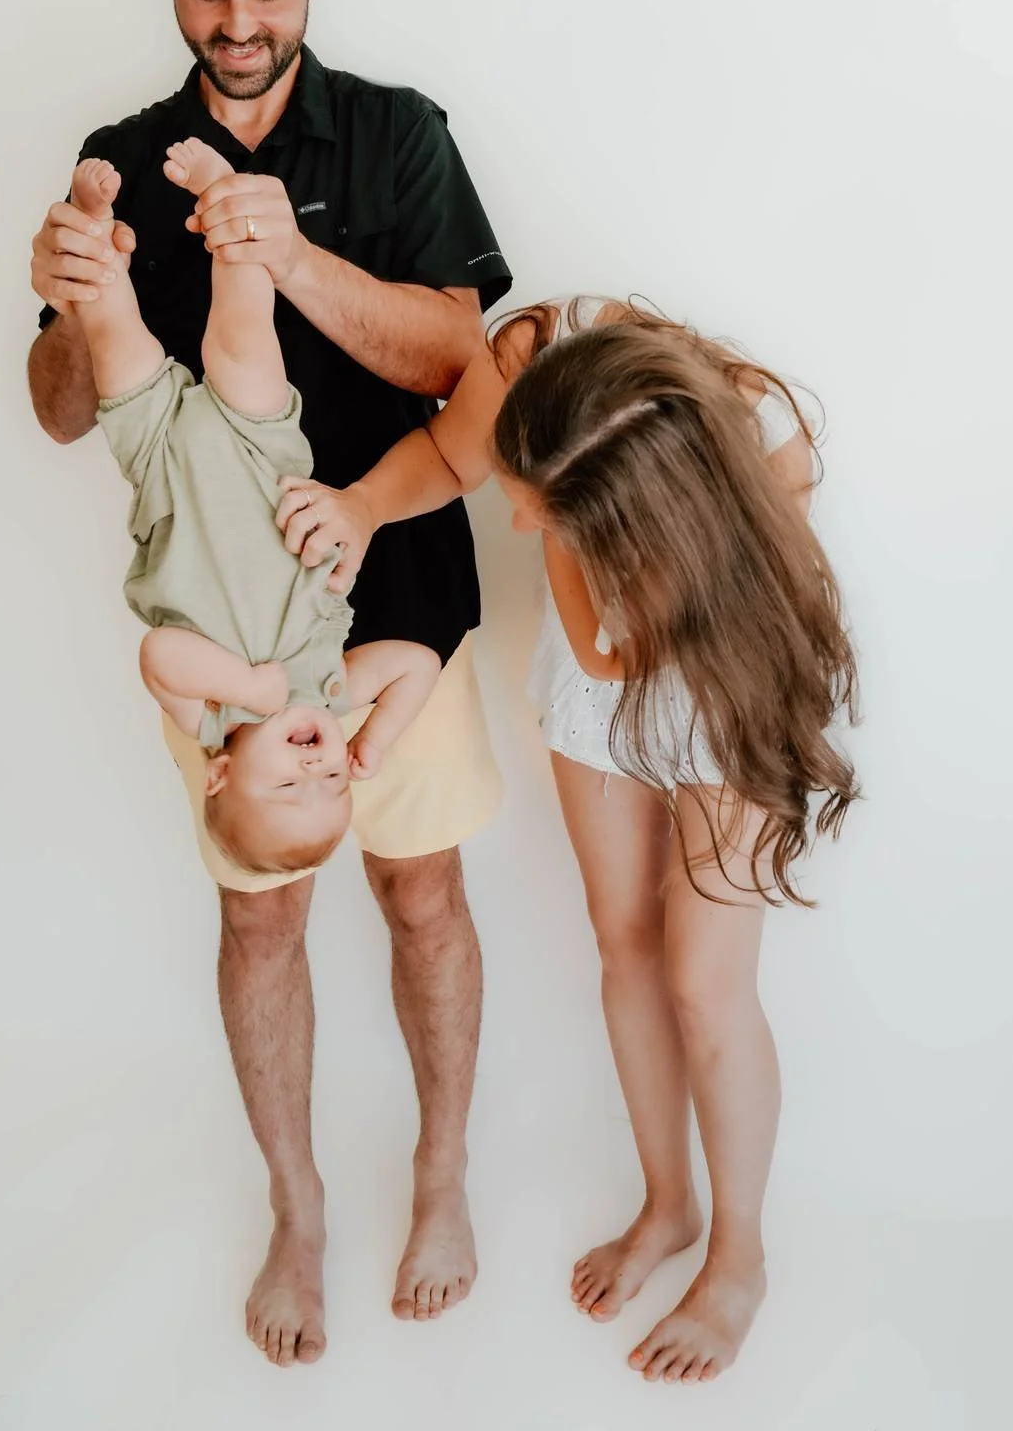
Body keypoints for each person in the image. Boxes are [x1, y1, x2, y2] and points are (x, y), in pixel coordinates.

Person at [26, 0, 511, 1365]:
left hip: (392, 598)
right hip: (227, 622)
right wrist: (62, 290)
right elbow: (59, 405)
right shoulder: (119, 141)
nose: (235, 21)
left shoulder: (396, 136)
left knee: (422, 892)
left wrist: (287, 255)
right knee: (260, 922)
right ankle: (298, 1206)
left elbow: (459, 363)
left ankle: (440, 1170)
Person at [277, 295, 860, 1388]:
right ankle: (668, 1204)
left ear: (646, 508)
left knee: (707, 983)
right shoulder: (541, 353)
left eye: (545, 512)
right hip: (607, 670)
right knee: (623, 940)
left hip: (730, 670)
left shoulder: (768, 453)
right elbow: (585, 643)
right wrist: (364, 508)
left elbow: (636, 647)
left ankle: (741, 1255)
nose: (524, 526)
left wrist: (591, 553)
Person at [71, 136, 441, 877]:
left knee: (110, 324)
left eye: (284, 786)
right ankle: (226, 196)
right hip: (258, 452)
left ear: (220, 775)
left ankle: (90, 229)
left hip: (162, 468)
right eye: (334, 779)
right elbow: (416, 662)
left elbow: (159, 654)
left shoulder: (212, 716)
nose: (313, 769)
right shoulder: (331, 690)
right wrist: (376, 740)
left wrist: (248, 689)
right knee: (243, 322)